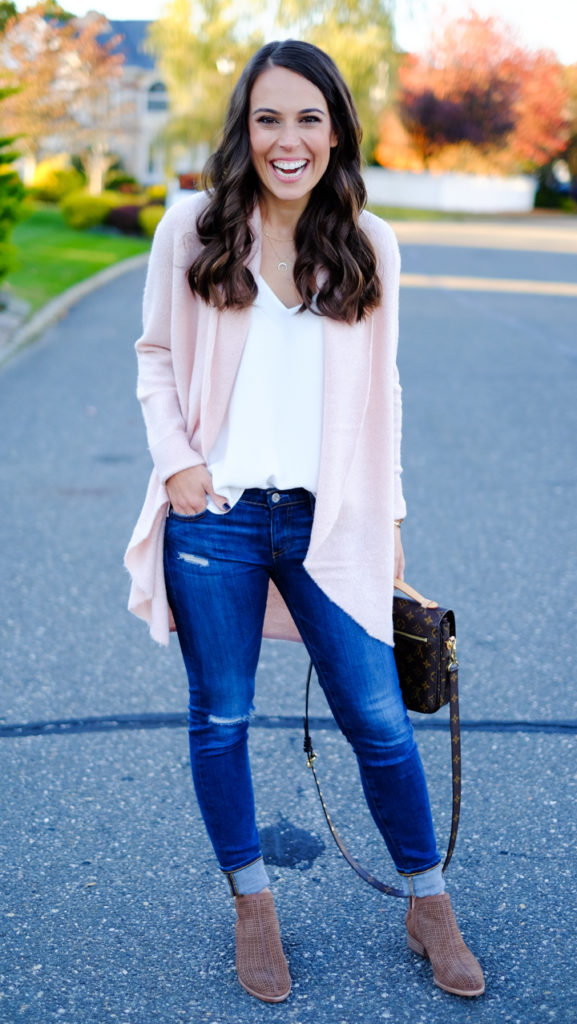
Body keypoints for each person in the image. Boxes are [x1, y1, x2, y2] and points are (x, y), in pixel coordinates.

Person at [124, 39, 485, 1004]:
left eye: (309, 118)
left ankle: (428, 904)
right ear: (245, 129)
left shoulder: (369, 243)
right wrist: (180, 467)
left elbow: (386, 391)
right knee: (222, 720)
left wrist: (393, 514)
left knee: (377, 718)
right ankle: (253, 906)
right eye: (269, 118)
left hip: (333, 521)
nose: (289, 140)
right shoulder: (191, 230)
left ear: (336, 130)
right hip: (219, 521)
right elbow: (156, 354)